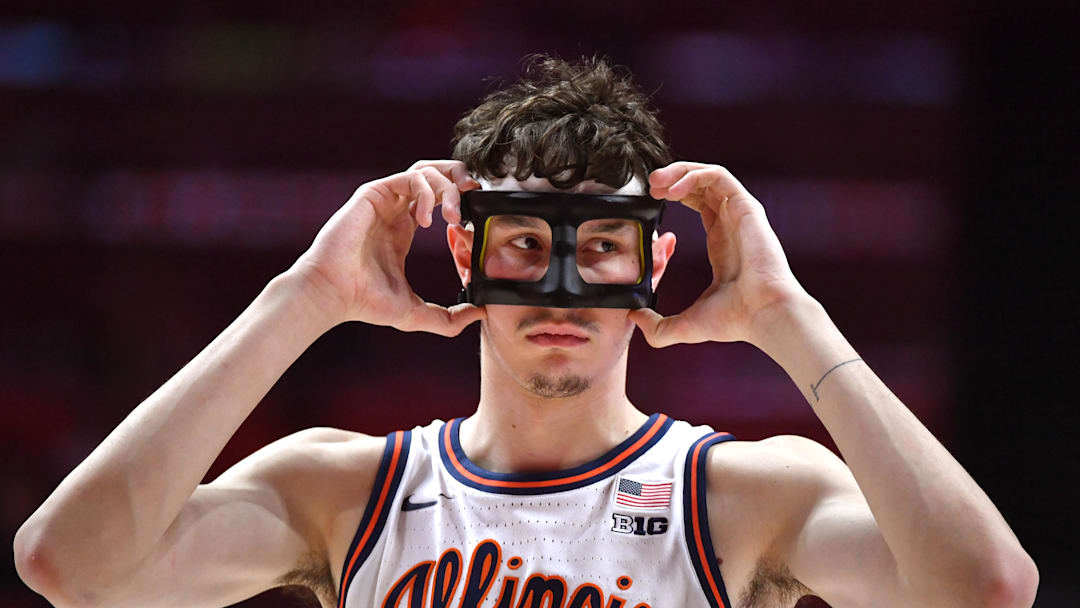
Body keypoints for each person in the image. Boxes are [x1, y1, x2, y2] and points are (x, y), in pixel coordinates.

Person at [14, 54, 1037, 608]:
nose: (561, 285)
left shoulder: (743, 493)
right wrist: (302, 297)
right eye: (526, 243)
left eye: (601, 245)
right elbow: (72, 565)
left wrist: (789, 316)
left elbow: (986, 588)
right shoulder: (346, 487)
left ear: (655, 265)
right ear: (465, 256)